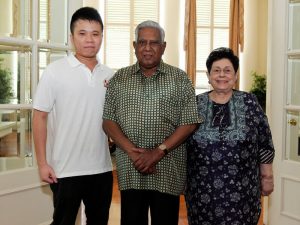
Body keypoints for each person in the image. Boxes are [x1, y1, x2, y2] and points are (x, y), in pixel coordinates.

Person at [102, 20, 202, 225]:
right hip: (131, 168)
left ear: (163, 47)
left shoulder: (180, 79)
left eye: (154, 43)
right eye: (142, 42)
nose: (147, 48)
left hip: (167, 169)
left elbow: (190, 122)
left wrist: (157, 153)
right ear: (134, 45)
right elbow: (108, 121)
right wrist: (133, 152)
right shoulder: (119, 78)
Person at [32, 7, 114, 225]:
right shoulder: (54, 71)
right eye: (82, 33)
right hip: (64, 169)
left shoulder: (111, 76)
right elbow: (39, 117)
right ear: (71, 37)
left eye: (95, 34)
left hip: (101, 168)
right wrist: (42, 163)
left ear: (102, 37)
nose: (89, 40)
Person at [185, 47, 275, 225]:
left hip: (243, 193)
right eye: (216, 70)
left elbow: (265, 142)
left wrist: (267, 178)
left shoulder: (250, 102)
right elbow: (182, 145)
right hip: (202, 193)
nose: (221, 75)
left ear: (235, 75)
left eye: (227, 71)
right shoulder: (195, 104)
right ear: (208, 75)